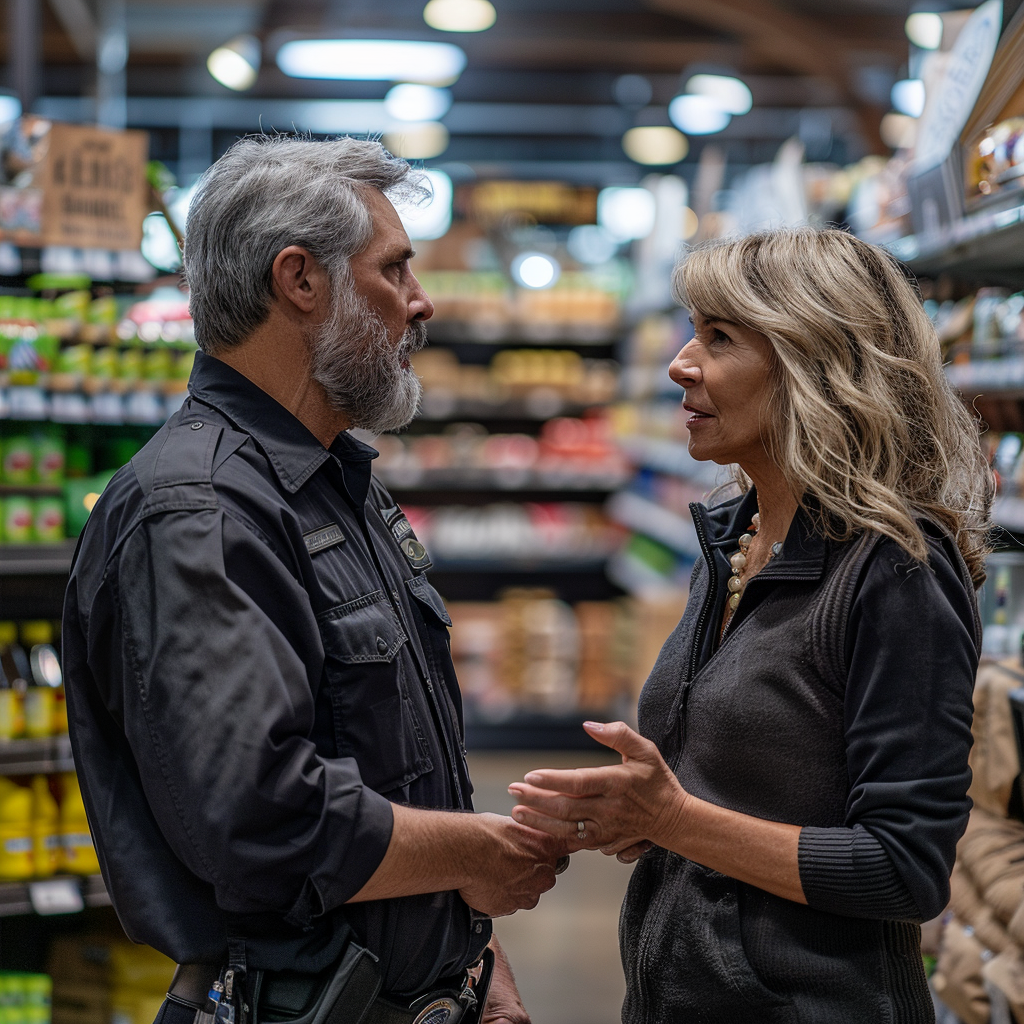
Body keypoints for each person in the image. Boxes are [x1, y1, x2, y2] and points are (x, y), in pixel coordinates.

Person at [62, 136, 568, 1024]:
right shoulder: (201, 512)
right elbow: (263, 820)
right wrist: (473, 858)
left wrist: (471, 957)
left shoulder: (333, 481)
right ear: (300, 280)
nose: (423, 302)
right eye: (395, 271)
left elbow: (392, 763)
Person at [509, 227, 992, 1023]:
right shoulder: (733, 537)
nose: (679, 363)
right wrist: (635, 819)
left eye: (720, 337)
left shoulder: (896, 569)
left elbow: (905, 868)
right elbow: (733, 788)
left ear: (816, 361)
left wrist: (673, 817)